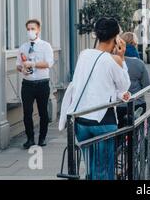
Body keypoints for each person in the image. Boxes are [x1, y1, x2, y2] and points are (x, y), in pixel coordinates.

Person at [60, 17, 131, 180]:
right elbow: (124, 85)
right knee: (104, 170)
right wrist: (122, 58)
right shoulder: (112, 60)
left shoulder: (84, 55)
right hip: (103, 121)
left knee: (91, 168)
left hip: (81, 120)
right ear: (116, 38)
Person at [16, 19, 54, 149]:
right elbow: (18, 65)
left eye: (33, 29)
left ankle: (42, 138)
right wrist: (23, 69)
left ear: (38, 30)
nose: (30, 31)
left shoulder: (45, 46)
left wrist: (33, 64)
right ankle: (30, 139)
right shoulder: (23, 47)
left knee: (43, 112)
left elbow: (49, 63)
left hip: (42, 84)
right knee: (27, 112)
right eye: (28, 29)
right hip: (27, 84)